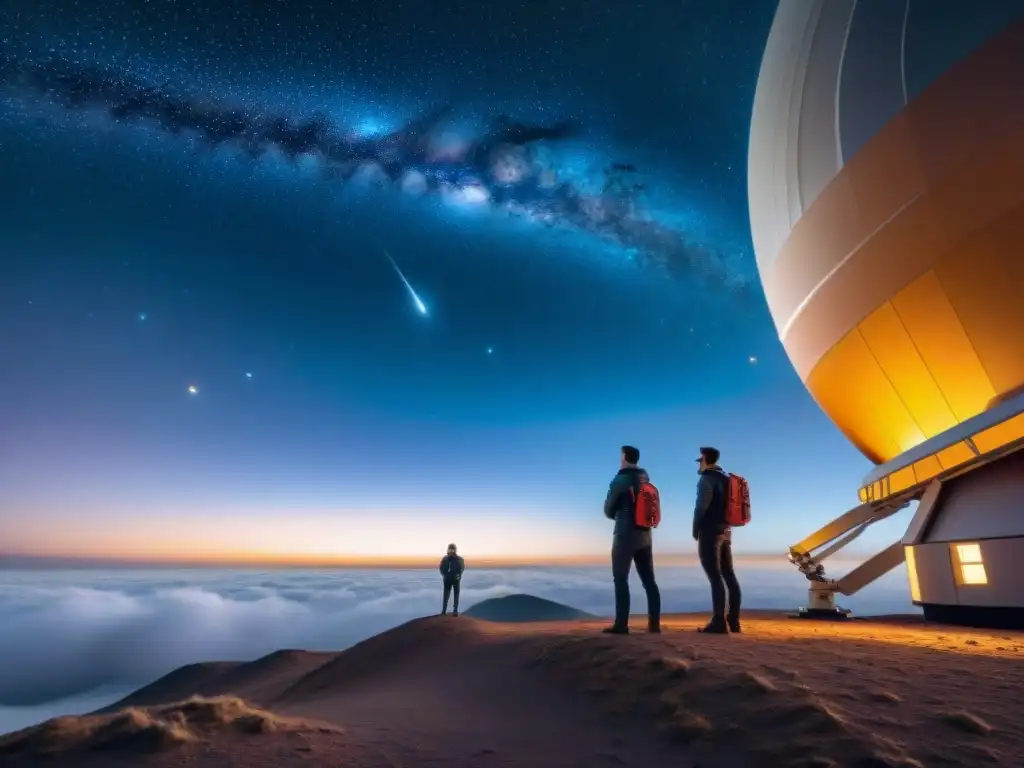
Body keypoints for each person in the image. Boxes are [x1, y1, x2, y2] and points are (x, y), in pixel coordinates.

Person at [602, 445, 662, 634]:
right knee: (649, 580)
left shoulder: (620, 479)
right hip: (645, 535)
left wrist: (620, 515)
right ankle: (654, 625)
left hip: (625, 535)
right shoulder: (645, 479)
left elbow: (608, 509)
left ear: (625, 457)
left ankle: (621, 625)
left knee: (620, 578)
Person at [693, 446, 742, 634]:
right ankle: (734, 620)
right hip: (726, 531)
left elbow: (700, 507)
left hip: (710, 531)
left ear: (705, 459)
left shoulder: (707, 479)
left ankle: (718, 622)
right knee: (729, 574)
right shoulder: (727, 479)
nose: (699, 464)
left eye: (700, 460)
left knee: (714, 576)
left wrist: (695, 529)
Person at [439, 543, 465, 616]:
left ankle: (455, 611)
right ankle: (444, 611)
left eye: (452, 549)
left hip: (455, 579)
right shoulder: (445, 558)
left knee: (456, 594)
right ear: (448, 550)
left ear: (455, 550)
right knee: (446, 595)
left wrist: (458, 575)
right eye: (450, 549)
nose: (451, 551)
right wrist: (444, 575)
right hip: (447, 579)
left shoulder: (460, 559)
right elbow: (440, 568)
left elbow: (462, 568)